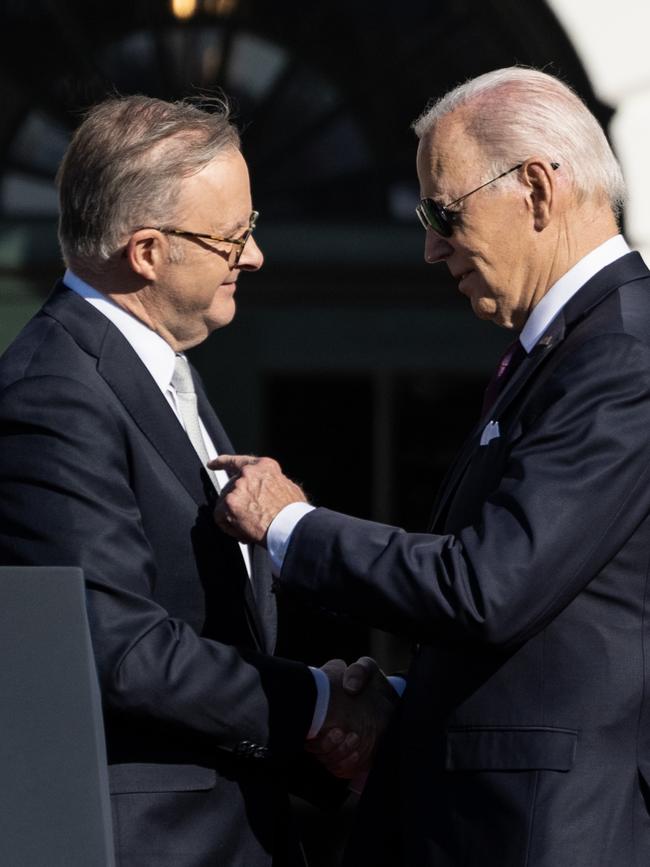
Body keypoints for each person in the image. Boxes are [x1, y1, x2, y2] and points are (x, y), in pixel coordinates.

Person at [213, 67, 650, 866]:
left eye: (443, 212)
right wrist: (407, 700)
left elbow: (490, 587)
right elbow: (551, 629)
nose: (428, 245)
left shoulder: (621, 354)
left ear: (538, 191)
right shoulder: (562, 349)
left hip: (540, 833)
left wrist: (288, 524)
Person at [0, 95, 397, 867]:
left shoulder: (160, 369)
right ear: (147, 251)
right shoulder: (55, 392)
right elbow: (121, 648)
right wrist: (317, 704)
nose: (254, 256)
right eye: (233, 236)